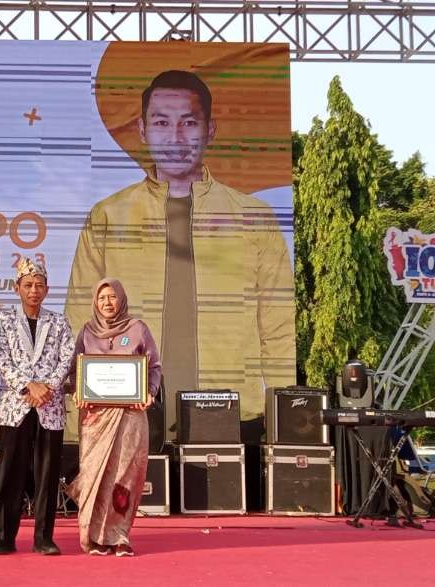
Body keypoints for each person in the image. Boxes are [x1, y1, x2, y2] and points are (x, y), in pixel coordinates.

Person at [65, 70, 294, 442]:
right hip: (131, 408)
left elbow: (278, 326)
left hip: (230, 408)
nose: (175, 137)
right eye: (160, 122)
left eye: (189, 123)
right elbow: (80, 324)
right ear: (142, 130)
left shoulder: (254, 216)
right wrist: (77, 425)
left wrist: (285, 417)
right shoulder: (109, 215)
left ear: (210, 129)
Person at [67, 279, 162, 556]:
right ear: (95, 303)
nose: (107, 303)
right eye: (101, 298)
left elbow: (154, 366)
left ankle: (119, 536)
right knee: (95, 474)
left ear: (121, 299)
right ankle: (93, 537)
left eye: (112, 297)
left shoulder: (137, 329)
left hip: (131, 415)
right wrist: (77, 391)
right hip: (96, 417)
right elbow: (75, 369)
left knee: (125, 475)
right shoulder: (87, 332)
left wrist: (150, 392)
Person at [0, 258, 75, 556]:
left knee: (47, 475)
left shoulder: (60, 321)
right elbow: (1, 360)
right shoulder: (2, 321)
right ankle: (4, 537)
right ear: (17, 288)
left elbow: (66, 359)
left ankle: (43, 538)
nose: (34, 290)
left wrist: (47, 387)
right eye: (28, 285)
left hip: (49, 407)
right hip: (16, 406)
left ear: (47, 289)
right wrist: (29, 386)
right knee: (10, 472)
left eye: (39, 285)